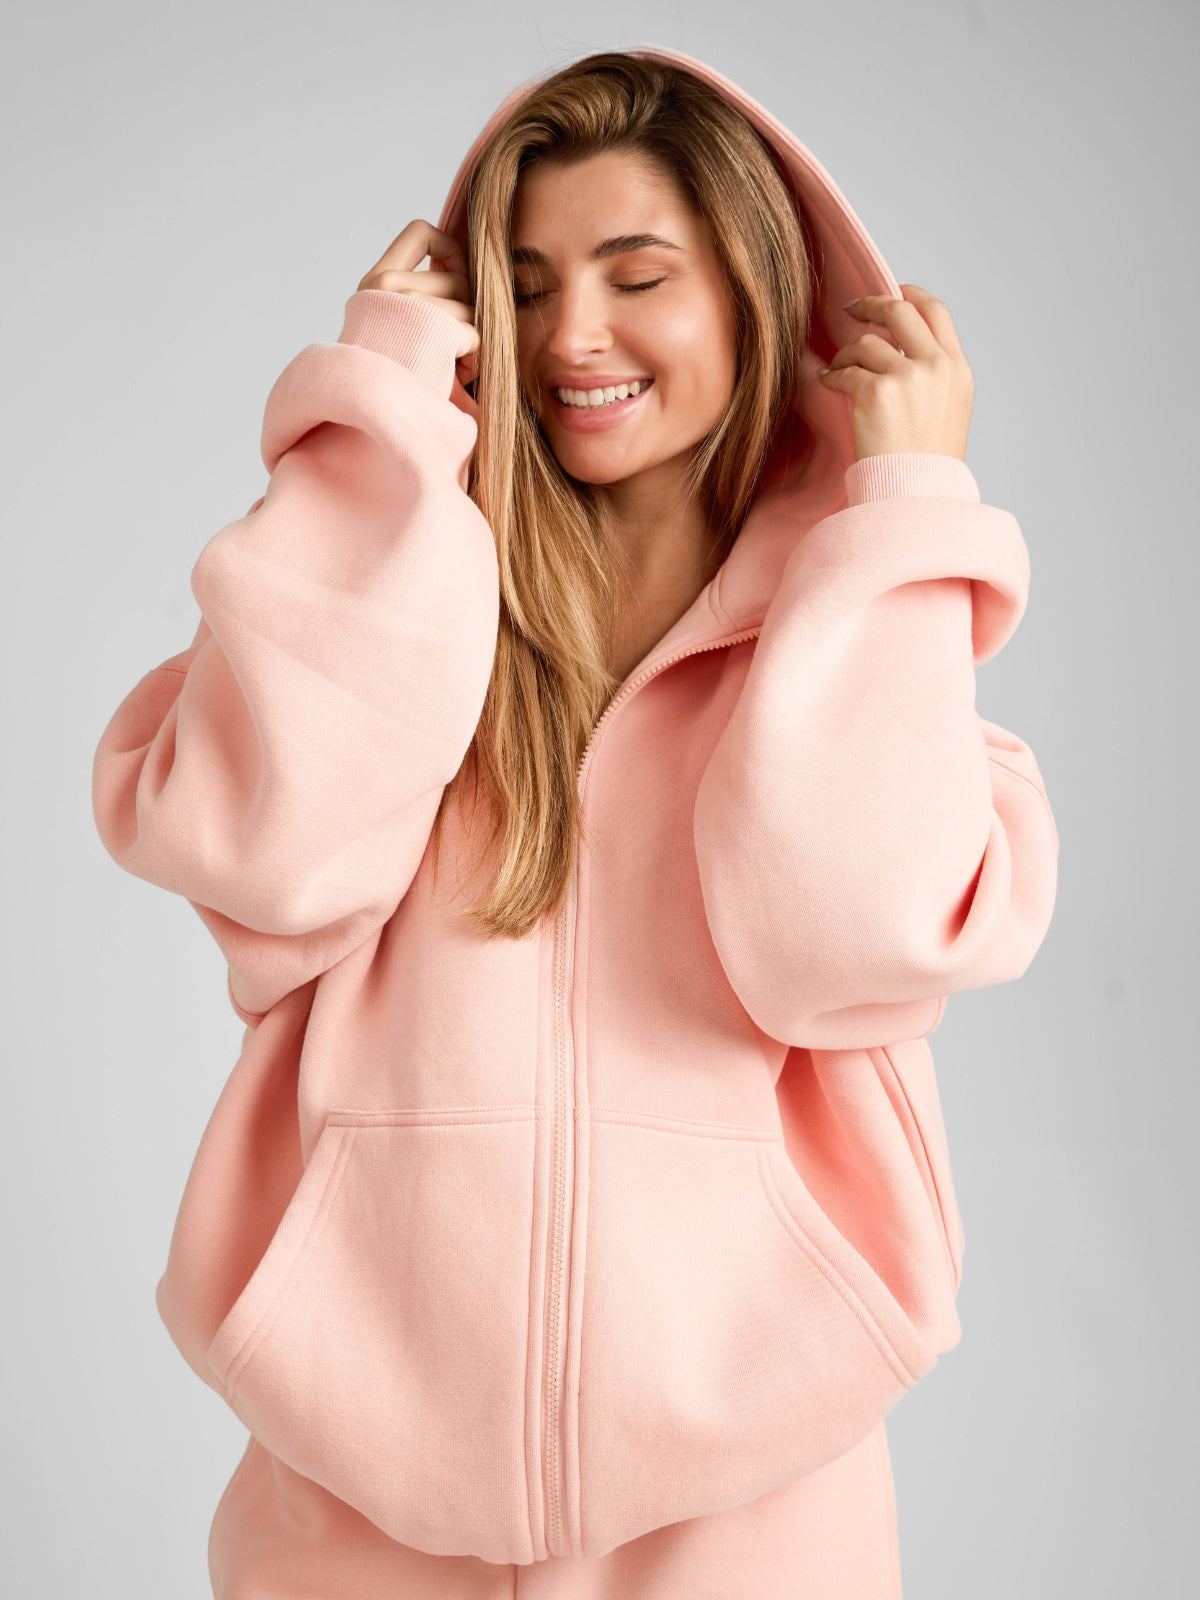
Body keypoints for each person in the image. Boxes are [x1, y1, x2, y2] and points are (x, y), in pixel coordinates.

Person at [91, 44, 1059, 1599]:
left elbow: (854, 944)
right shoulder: (403, 619)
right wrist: (377, 421)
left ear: (756, 295)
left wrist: (908, 507)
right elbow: (258, 848)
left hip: (755, 1507)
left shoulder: (852, 649)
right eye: (526, 286)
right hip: (349, 1505)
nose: (570, 336)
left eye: (636, 275)